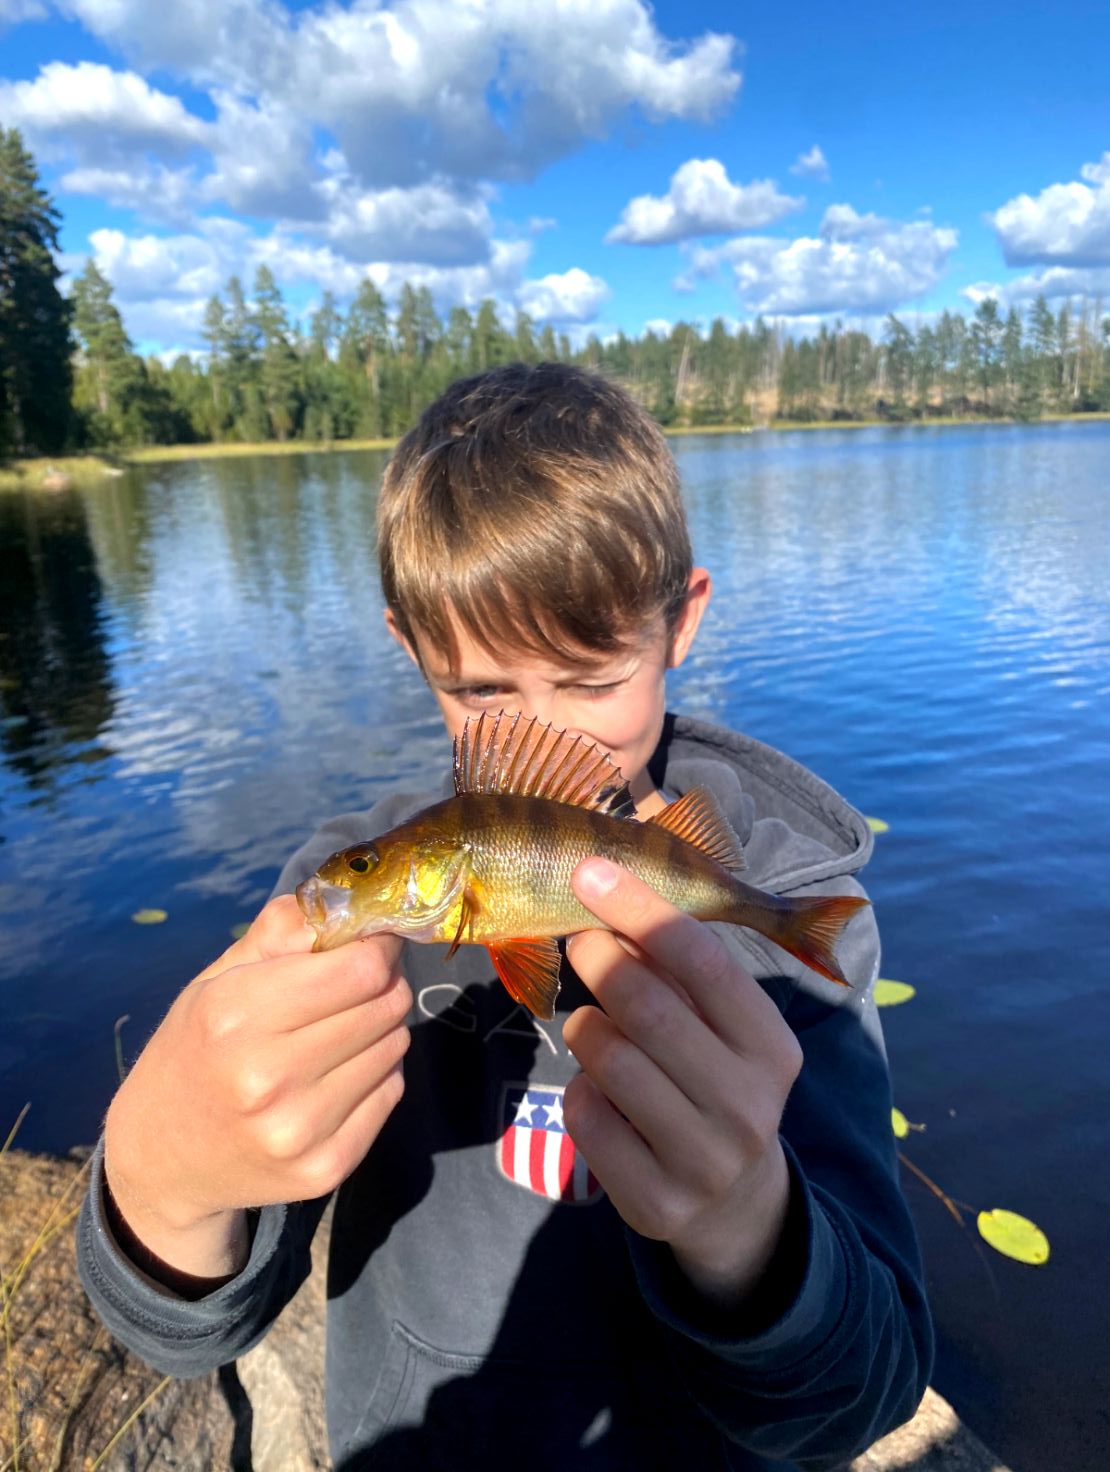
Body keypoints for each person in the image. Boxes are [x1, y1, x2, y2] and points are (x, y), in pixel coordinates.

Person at [78, 362, 932, 1469]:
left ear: (681, 620)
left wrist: (748, 1227)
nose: (550, 736)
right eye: (483, 690)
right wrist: (163, 1175)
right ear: (412, 647)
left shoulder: (797, 915)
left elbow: (867, 1393)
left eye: (591, 679)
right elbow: (185, 1332)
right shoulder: (348, 904)